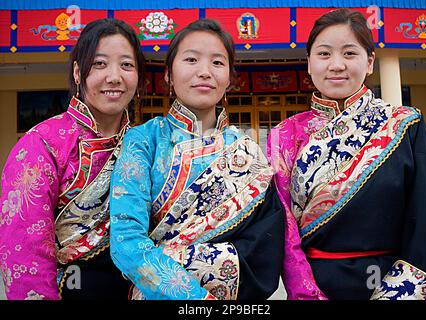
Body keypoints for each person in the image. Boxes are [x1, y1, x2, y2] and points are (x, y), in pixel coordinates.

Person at [267, 8, 426, 300]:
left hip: (392, 282)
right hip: (314, 285)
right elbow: (283, 228)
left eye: (349, 53)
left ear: (369, 62)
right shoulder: (284, 135)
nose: (336, 65)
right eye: (324, 54)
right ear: (309, 63)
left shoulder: (407, 126)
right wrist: (306, 292)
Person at [109, 19, 285, 300]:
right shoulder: (144, 140)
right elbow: (125, 242)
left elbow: (264, 248)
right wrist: (196, 299)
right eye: (191, 59)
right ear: (168, 74)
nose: (204, 72)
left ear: (229, 77)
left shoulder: (248, 151)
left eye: (217, 63)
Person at [0, 18, 146, 300]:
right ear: (78, 72)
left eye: (126, 65)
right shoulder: (42, 144)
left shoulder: (145, 143)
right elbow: (25, 253)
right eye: (100, 64)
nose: (114, 77)